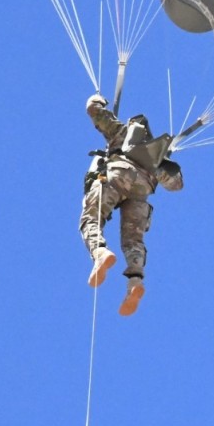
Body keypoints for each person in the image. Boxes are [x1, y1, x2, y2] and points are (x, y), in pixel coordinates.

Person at [80, 93, 184, 316]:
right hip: (141, 191)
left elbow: (94, 111)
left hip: (118, 175)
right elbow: (176, 186)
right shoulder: (159, 159)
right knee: (133, 240)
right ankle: (135, 280)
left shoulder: (122, 133)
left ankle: (100, 253)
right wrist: (156, 168)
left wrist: (96, 100)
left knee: (90, 218)